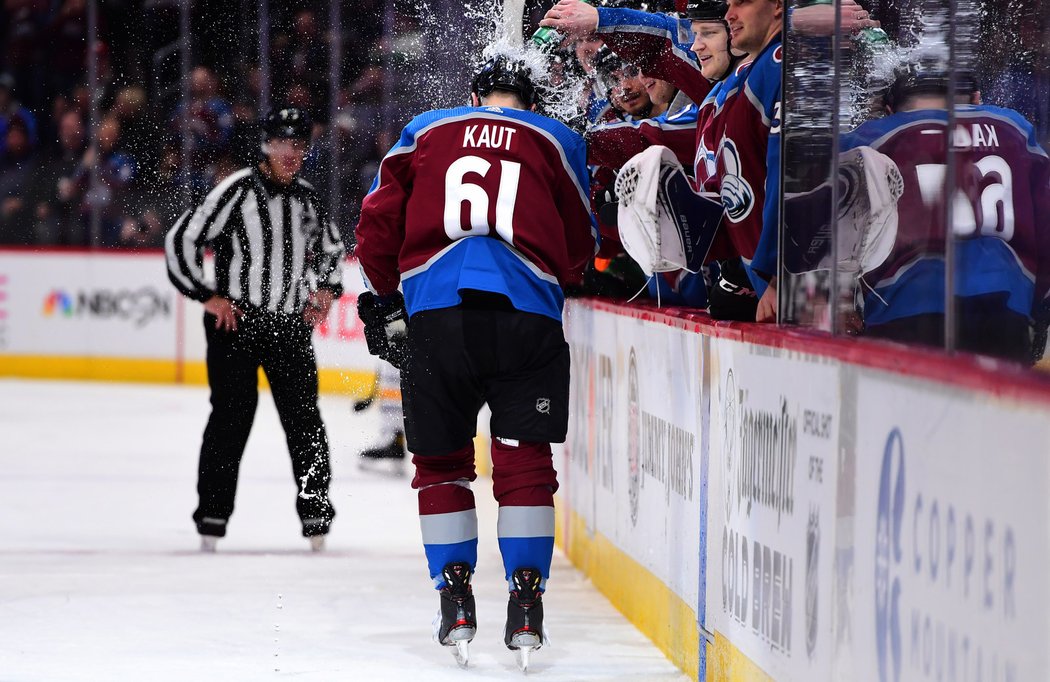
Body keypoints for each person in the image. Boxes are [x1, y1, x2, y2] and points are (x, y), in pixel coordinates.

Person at [353, 55, 596, 670]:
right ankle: (526, 598)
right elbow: (581, 243)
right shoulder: (557, 137)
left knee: (440, 465)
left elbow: (377, 220)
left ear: (476, 92)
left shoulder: (428, 128)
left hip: (438, 314)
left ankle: (454, 596)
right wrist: (559, 276)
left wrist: (387, 297)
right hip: (525, 319)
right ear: (534, 96)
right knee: (524, 465)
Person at [542, 0, 878, 321]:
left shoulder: (774, 71)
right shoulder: (716, 103)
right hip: (765, 289)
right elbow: (728, 198)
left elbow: (792, 182)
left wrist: (602, 21)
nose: (697, 45)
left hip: (800, 286)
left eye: (709, 33)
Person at [164, 106, 345, 552]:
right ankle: (212, 519)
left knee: (306, 425)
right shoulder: (238, 190)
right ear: (265, 145)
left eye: (300, 145)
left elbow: (332, 249)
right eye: (283, 143)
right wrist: (206, 295)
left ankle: (317, 517)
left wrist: (325, 291)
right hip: (236, 327)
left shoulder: (307, 198)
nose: (292, 153)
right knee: (230, 422)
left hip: (288, 327)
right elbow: (181, 239)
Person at [841, 68, 1050, 363]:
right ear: (976, 98)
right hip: (1003, 307)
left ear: (889, 109)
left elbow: (826, 230)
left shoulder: (868, 138)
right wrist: (1040, 313)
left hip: (904, 309)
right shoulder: (1013, 127)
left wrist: (840, 302)